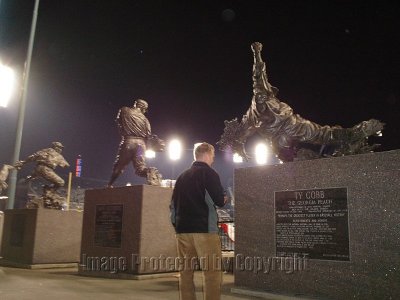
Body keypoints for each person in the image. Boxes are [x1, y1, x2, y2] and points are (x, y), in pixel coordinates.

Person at [218, 42, 384, 161]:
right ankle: (305, 163)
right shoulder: (250, 117)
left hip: (292, 125)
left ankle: (355, 133)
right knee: (287, 156)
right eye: (260, 99)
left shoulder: (262, 92)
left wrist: (257, 53)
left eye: (263, 97)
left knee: (322, 134)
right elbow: (240, 136)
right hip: (279, 139)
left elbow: (258, 74)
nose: (262, 99)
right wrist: (240, 149)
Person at [170, 142, 227, 300]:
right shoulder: (210, 174)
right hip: (205, 231)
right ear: (208, 154)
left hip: (183, 232)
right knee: (212, 273)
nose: (213, 160)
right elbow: (219, 200)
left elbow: (173, 206)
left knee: (186, 273)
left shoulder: (181, 176)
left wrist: (178, 225)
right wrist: (225, 198)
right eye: (213, 156)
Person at [108, 99, 164, 187]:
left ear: (135, 105)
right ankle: (149, 171)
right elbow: (148, 136)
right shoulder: (146, 121)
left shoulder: (124, 110)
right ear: (143, 108)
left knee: (119, 166)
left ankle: (109, 184)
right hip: (141, 146)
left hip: (128, 143)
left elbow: (118, 122)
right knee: (140, 168)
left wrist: (123, 132)